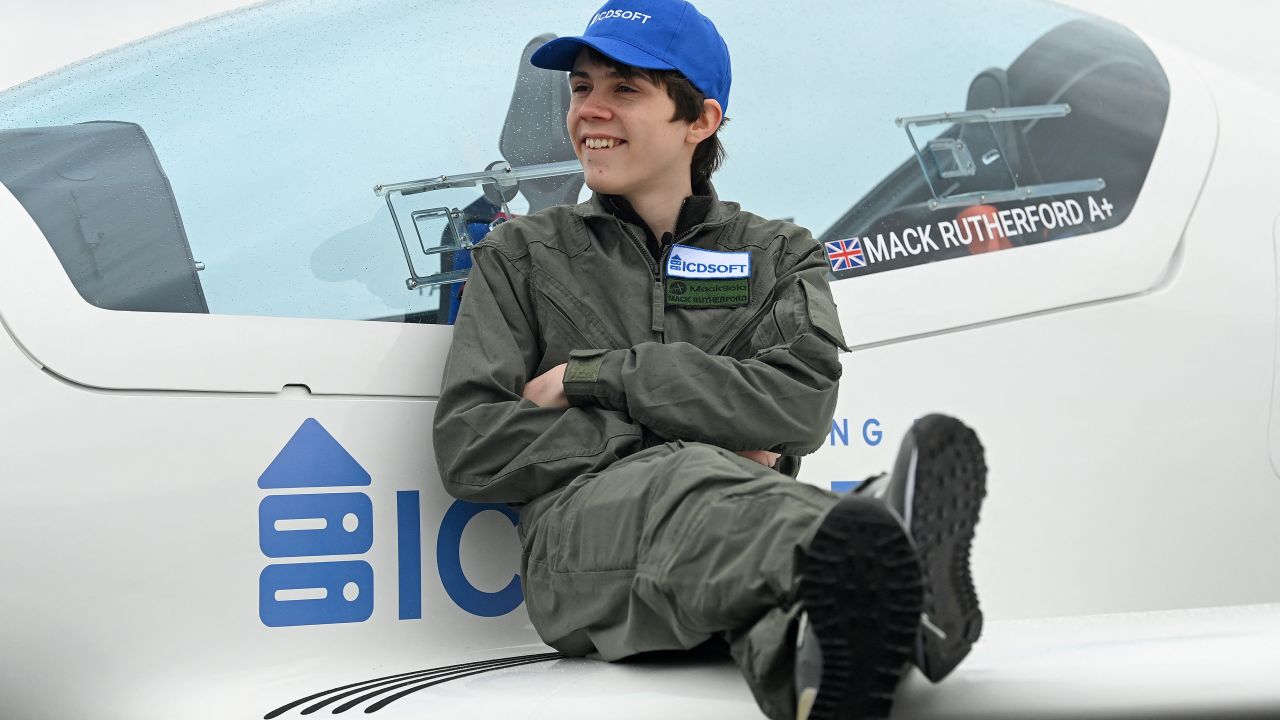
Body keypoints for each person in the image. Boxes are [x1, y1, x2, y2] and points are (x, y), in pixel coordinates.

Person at [432, 1, 988, 717]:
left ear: (700, 120)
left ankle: (828, 655)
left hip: (738, 536)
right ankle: (880, 548)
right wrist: (680, 437)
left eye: (623, 90)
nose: (589, 112)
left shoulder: (778, 253)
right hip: (578, 554)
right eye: (580, 88)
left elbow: (800, 405)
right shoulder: (520, 256)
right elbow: (472, 444)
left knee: (789, 611)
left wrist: (597, 377)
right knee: (688, 476)